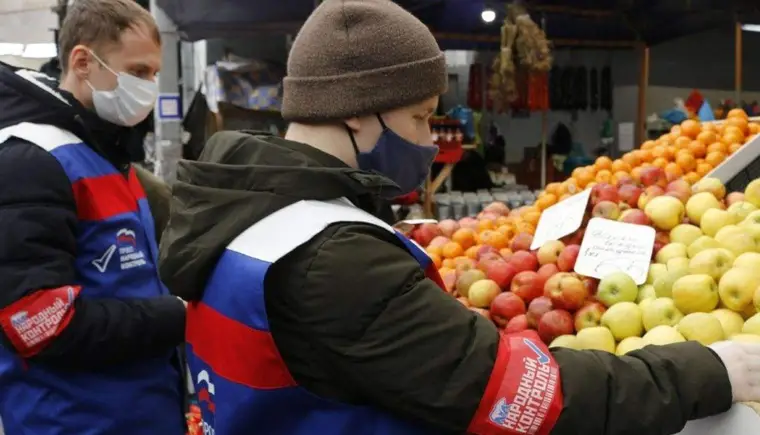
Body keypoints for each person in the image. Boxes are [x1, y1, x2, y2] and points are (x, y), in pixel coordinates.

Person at [159, 1, 760, 434]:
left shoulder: (243, 216)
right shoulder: (332, 256)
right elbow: (522, 395)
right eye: (421, 117)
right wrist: (708, 369)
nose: (430, 138)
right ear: (357, 114)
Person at [0, 1, 186, 434]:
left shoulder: (106, 158)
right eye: (138, 72)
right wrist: (177, 317)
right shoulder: (33, 163)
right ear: (83, 61)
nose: (149, 88)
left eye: (155, 75)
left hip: (135, 413)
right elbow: (38, 323)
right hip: (73, 420)